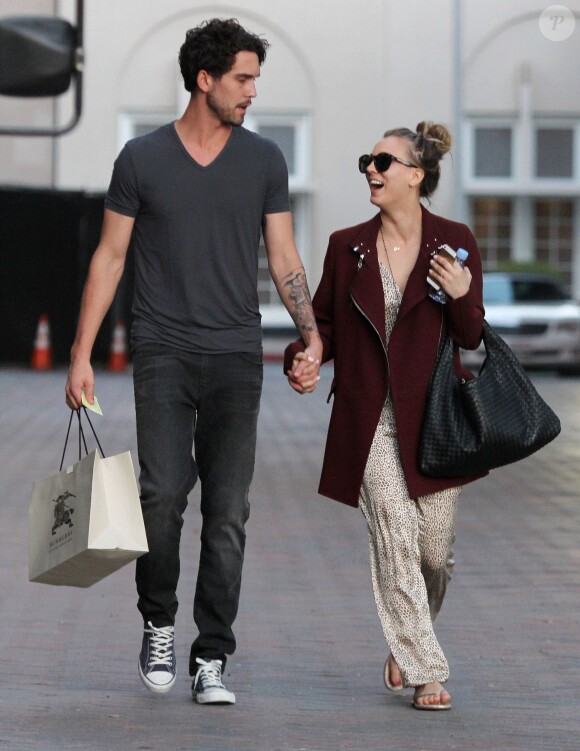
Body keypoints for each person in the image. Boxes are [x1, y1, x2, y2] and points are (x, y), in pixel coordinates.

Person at [65, 18, 322, 705]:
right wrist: (80, 354)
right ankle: (158, 620)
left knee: (230, 510)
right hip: (163, 351)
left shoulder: (264, 160)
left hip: (238, 354)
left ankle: (212, 655)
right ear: (204, 79)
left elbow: (285, 257)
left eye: (255, 79)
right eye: (243, 78)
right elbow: (110, 257)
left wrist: (312, 334)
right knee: (162, 495)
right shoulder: (141, 159)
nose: (252, 92)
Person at [285, 122, 485, 710]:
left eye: (383, 161)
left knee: (434, 553)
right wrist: (309, 356)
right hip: (367, 417)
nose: (371, 170)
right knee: (395, 537)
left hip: (435, 422)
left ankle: (407, 635)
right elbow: (322, 323)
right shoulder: (348, 245)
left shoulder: (454, 240)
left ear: (416, 175)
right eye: (366, 161)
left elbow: (470, 333)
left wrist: (464, 288)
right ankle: (428, 669)